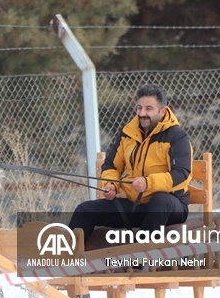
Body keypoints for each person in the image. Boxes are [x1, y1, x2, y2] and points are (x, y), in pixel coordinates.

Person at [69, 83, 192, 243]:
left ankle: (138, 263)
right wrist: (112, 185)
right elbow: (111, 165)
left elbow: (181, 173)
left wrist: (148, 183)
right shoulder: (127, 133)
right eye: (139, 108)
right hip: (135, 205)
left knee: (160, 201)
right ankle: (65, 260)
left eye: (148, 109)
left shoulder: (177, 136)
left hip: (170, 206)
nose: (142, 113)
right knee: (84, 210)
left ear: (162, 111)